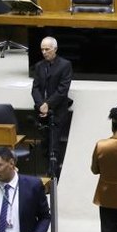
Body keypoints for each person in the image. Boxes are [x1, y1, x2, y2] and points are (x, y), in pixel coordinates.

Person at [32, 36, 73, 172]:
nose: (44, 52)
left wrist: (48, 104)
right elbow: (35, 88)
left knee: (54, 143)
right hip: (41, 111)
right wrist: (40, 105)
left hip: (57, 110)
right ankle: (44, 169)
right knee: (44, 142)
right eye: (42, 49)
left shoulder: (65, 65)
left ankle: (53, 172)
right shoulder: (39, 66)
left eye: (47, 49)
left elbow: (62, 89)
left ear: (55, 49)